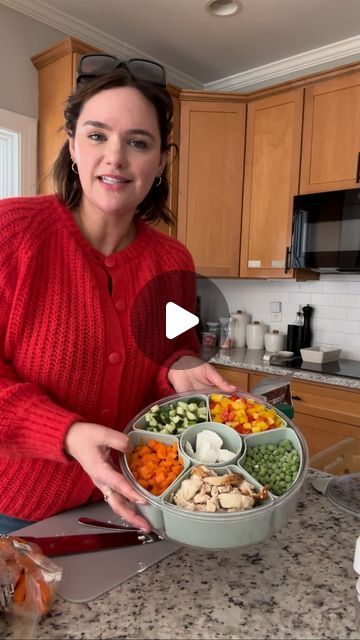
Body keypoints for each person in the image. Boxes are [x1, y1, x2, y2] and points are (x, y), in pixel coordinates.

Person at [0, 55, 236, 535]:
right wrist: (64, 432)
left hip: (130, 499)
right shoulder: (11, 234)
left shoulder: (174, 262)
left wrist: (180, 369)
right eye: (97, 135)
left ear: (162, 160)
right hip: (15, 508)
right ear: (71, 146)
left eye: (138, 142)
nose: (115, 157)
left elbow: (175, 353)